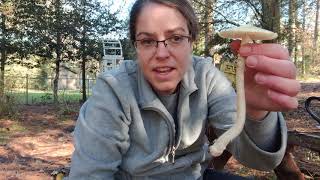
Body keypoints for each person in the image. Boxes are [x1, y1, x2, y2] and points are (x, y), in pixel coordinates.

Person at [68, 0, 300, 179]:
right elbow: (90, 173)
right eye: (148, 41)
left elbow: (260, 160)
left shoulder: (206, 76)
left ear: (192, 42)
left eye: (176, 38)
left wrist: (257, 113)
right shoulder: (114, 89)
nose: (161, 53)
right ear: (136, 47)